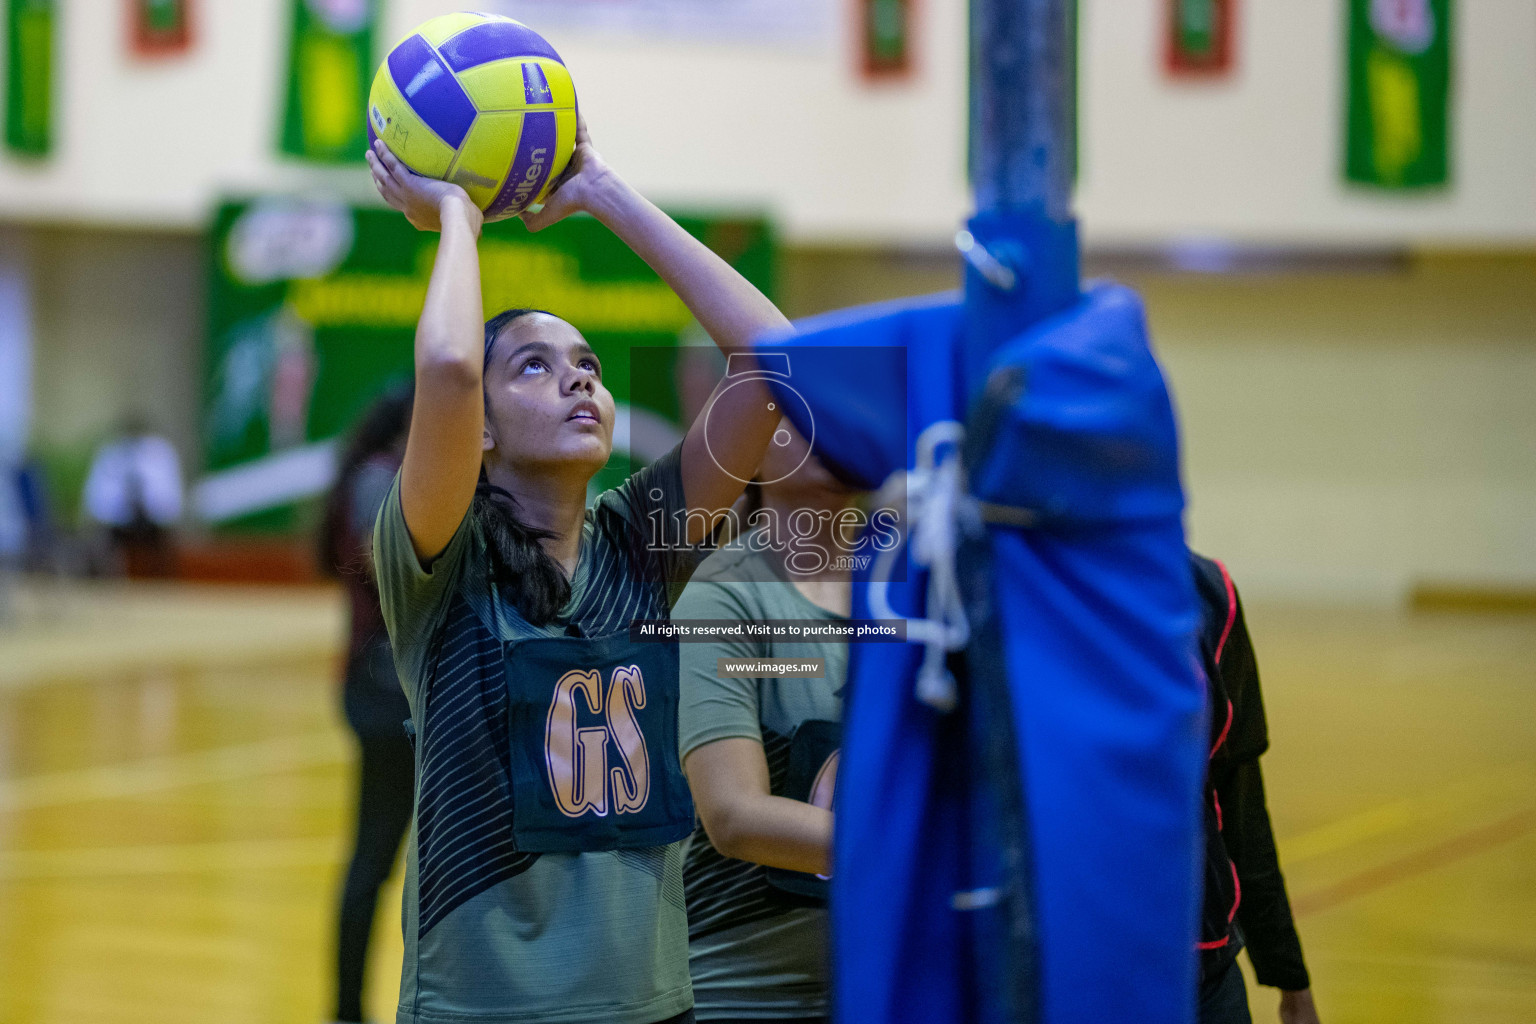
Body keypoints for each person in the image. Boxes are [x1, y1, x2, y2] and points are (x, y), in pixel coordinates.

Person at [365, 115, 790, 1024]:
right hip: (482, 1009)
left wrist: (601, 192)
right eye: (533, 366)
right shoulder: (443, 559)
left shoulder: (641, 543)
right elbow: (446, 364)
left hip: (651, 1005)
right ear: (480, 426)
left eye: (589, 365)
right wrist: (456, 211)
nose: (581, 382)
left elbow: (781, 359)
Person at [676, 423, 858, 1024]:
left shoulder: (906, 592)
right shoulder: (723, 594)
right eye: (795, 417)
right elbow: (734, 816)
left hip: (884, 985)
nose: (827, 428)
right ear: (750, 450)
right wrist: (912, 846)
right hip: (745, 991)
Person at [318, 386, 416, 1024]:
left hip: (376, 686)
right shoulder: (385, 481)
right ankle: (349, 1011)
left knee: (375, 859)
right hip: (388, 694)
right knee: (376, 857)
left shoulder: (371, 474)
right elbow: (397, 577)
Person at [1192, 553, 1320, 1024]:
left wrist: (1292, 979)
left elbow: (1240, 811)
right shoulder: (1012, 585)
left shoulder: (1209, 595)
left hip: (1203, 969)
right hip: (1071, 963)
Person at [81, 413, 183, 576]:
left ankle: (162, 584)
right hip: (117, 523)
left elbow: (171, 499)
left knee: (166, 543)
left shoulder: (161, 453)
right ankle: (109, 580)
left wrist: (150, 508)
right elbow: (96, 499)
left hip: (153, 522)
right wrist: (120, 509)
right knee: (100, 541)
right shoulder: (110, 454)